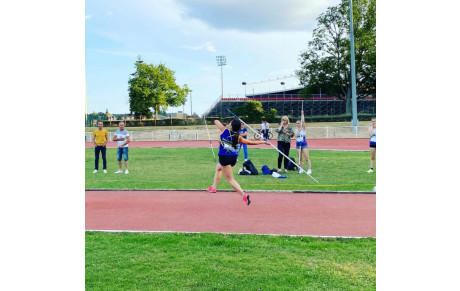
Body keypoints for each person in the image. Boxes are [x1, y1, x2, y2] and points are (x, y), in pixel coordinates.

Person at [206, 119, 270, 205]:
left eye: (230, 122)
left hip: (225, 158)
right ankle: (213, 187)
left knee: (230, 179)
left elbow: (216, 121)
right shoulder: (237, 136)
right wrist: (263, 142)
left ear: (231, 126)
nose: (229, 123)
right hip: (233, 158)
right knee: (218, 168)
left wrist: (213, 118)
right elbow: (250, 142)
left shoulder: (224, 130)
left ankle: (243, 195)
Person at [294, 110, 312, 175]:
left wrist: (302, 114)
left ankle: (309, 169)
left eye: (298, 123)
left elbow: (303, 121)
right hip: (298, 144)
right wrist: (299, 130)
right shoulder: (296, 129)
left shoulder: (303, 128)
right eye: (296, 123)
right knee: (300, 158)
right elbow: (295, 136)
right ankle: (301, 169)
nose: (297, 124)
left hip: (304, 143)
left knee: (306, 157)